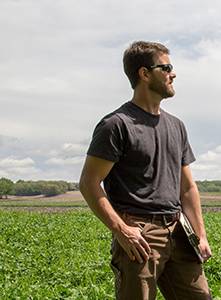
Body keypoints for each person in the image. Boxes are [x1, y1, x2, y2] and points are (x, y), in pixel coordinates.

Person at [79, 41, 213, 300]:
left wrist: (200, 235)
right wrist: (121, 230)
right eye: (166, 68)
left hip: (179, 231)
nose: (173, 74)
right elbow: (89, 182)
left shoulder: (176, 126)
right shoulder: (116, 125)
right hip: (139, 234)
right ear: (144, 73)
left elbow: (187, 187)